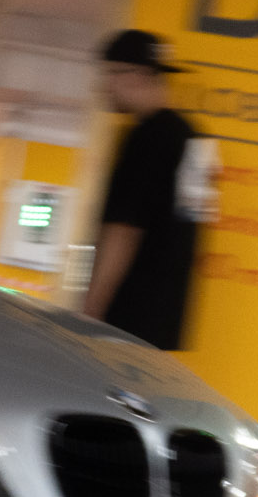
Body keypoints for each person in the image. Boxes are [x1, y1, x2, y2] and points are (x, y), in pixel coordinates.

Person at [81, 29, 216, 351]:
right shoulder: (197, 140)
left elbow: (124, 231)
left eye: (109, 74)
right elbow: (191, 229)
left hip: (126, 320)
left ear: (136, 75)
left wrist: (91, 311)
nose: (104, 87)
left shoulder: (144, 138)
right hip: (165, 328)